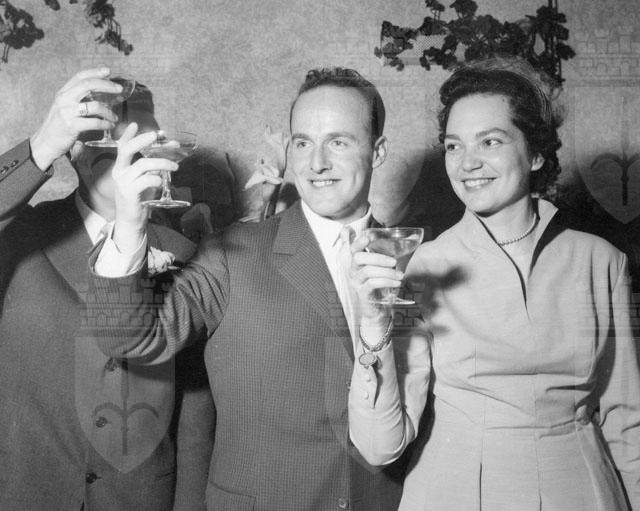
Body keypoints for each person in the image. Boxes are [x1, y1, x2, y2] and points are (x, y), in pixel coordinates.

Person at [88, 67, 410, 510]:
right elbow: (128, 338)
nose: (316, 163)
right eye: (302, 143)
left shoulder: (413, 258)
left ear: (378, 151)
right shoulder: (231, 253)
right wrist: (128, 223)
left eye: (338, 142)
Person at [347, 57, 640, 510]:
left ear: (536, 153)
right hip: (454, 493)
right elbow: (380, 445)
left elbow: (627, 423)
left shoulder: (601, 263)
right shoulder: (418, 269)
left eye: (491, 141)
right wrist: (374, 326)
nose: (468, 163)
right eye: (454, 146)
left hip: (582, 492)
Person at [0, 69, 214, 511]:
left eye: (141, 138)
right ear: (74, 151)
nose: (126, 151)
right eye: (108, 138)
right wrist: (40, 147)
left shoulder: (187, 255)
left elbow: (195, 413)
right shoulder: (21, 233)